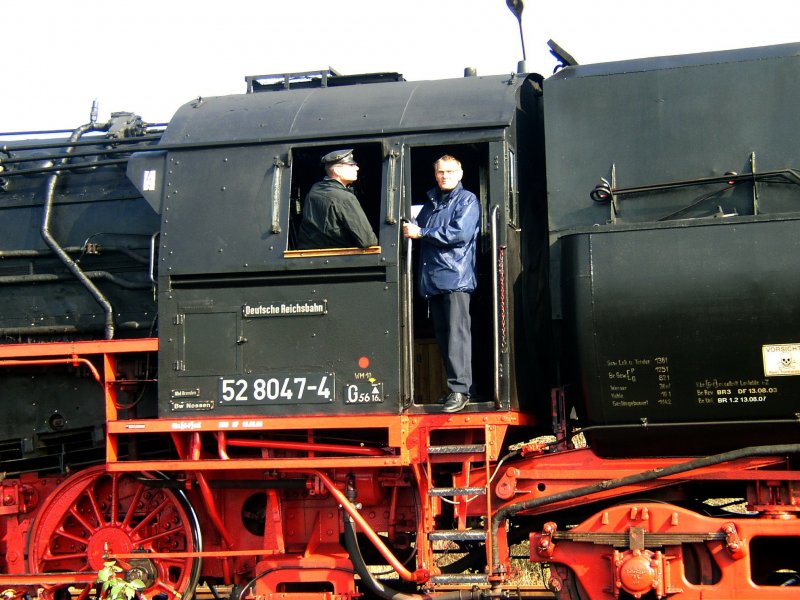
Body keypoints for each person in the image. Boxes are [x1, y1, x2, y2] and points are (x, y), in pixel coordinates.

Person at [403, 155, 480, 413]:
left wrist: (421, 232)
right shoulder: (432, 203)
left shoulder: (467, 200)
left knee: (457, 335)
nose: (444, 176)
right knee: (445, 336)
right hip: (434, 278)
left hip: (455, 277)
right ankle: (457, 389)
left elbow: (460, 233)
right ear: (435, 175)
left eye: (449, 171)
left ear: (460, 174)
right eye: (440, 172)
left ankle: (460, 390)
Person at [296, 149, 378, 249]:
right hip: (342, 260)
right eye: (351, 165)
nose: (357, 168)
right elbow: (367, 241)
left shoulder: (313, 192)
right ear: (337, 171)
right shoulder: (344, 197)